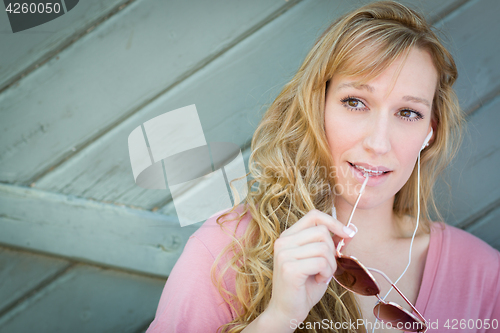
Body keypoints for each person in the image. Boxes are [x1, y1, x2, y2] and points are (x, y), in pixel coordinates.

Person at [146, 1, 500, 332]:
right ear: (318, 107)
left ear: (429, 132)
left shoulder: (485, 277)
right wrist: (279, 318)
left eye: (408, 113)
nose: (378, 143)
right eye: (356, 102)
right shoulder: (225, 251)